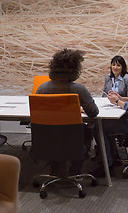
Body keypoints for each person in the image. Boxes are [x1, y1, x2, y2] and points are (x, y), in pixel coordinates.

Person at [36, 48, 99, 176]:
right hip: (73, 142)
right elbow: (93, 113)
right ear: (75, 70)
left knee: (55, 136)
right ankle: (74, 172)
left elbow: (37, 115)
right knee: (88, 128)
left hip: (47, 141)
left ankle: (56, 173)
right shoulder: (79, 90)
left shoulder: (42, 89)